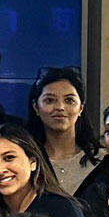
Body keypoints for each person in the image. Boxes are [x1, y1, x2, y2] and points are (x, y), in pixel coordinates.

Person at [27, 66, 102, 194]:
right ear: (36, 107)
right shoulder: (25, 159)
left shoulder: (102, 160)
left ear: (81, 108)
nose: (60, 107)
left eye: (69, 100)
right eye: (50, 100)